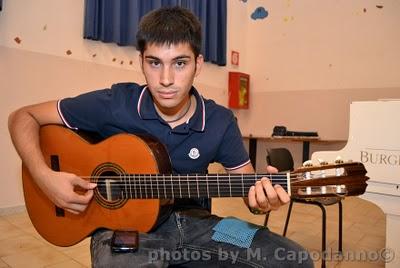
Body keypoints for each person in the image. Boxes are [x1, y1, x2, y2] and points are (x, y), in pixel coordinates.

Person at [8, 6, 313, 268]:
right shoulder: (114, 104)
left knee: (292, 258)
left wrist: (262, 200)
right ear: (141, 61)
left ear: (198, 64)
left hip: (199, 225)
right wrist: (44, 175)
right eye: (155, 63)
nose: (166, 79)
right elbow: (23, 116)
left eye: (180, 63)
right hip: (122, 227)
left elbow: (250, 192)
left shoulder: (220, 121)